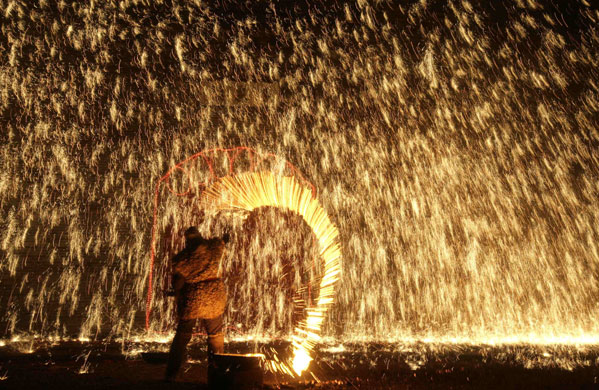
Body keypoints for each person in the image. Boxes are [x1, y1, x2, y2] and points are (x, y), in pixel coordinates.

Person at [165, 226, 230, 382]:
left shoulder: (182, 259)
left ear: (187, 241)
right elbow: (223, 241)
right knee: (215, 335)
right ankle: (217, 375)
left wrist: (175, 291)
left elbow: (178, 284)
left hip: (192, 299)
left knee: (182, 336)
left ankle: (171, 375)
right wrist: (226, 235)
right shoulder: (214, 248)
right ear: (201, 236)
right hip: (214, 297)